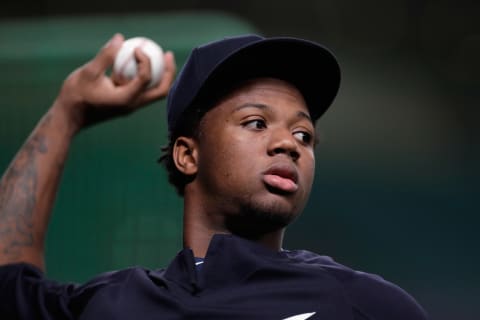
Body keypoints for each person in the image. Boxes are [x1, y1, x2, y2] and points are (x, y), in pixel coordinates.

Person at [0, 33, 428, 319]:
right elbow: (8, 284)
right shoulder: (117, 303)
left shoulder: (360, 304)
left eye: (304, 134)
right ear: (188, 155)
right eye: (256, 123)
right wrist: (67, 113)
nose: (290, 144)